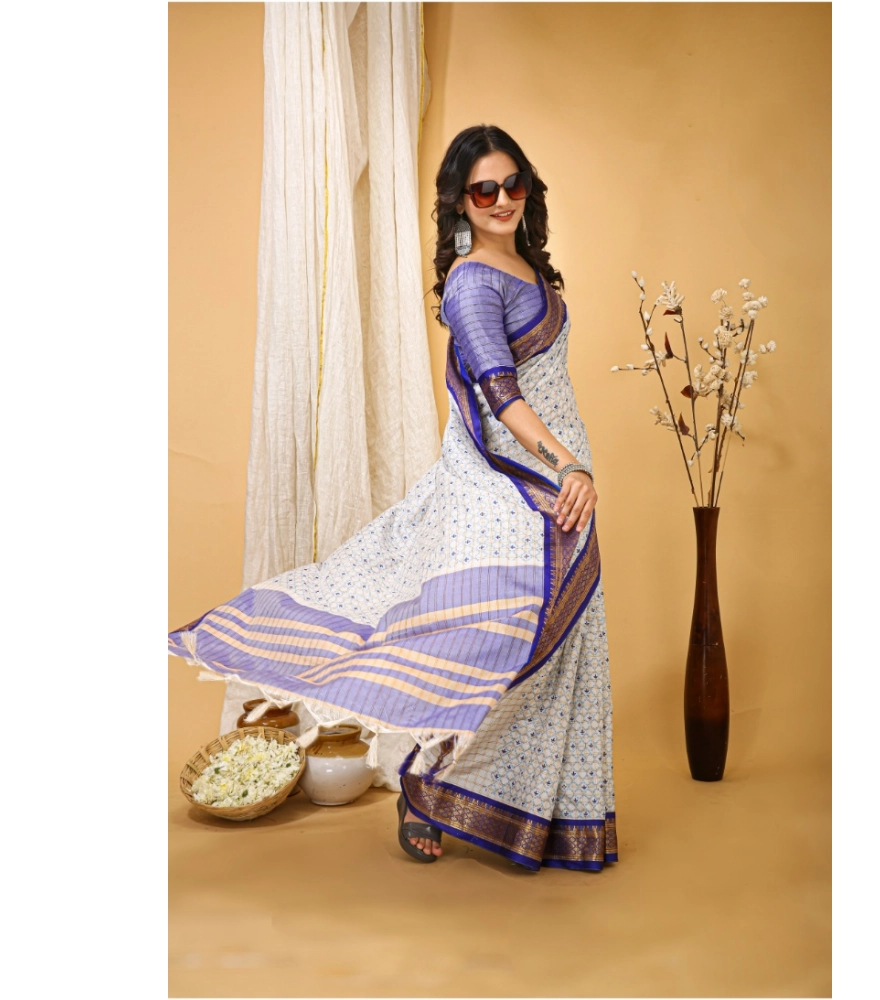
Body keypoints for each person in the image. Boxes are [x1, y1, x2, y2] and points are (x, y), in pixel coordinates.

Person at [169, 124, 618, 871]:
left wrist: (574, 470)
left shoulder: (532, 269)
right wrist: (566, 465)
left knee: (563, 646)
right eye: (484, 190)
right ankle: (426, 785)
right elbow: (500, 394)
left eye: (512, 184)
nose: (501, 200)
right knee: (488, 637)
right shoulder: (474, 282)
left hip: (563, 481)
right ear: (461, 203)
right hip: (509, 482)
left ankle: (540, 817)